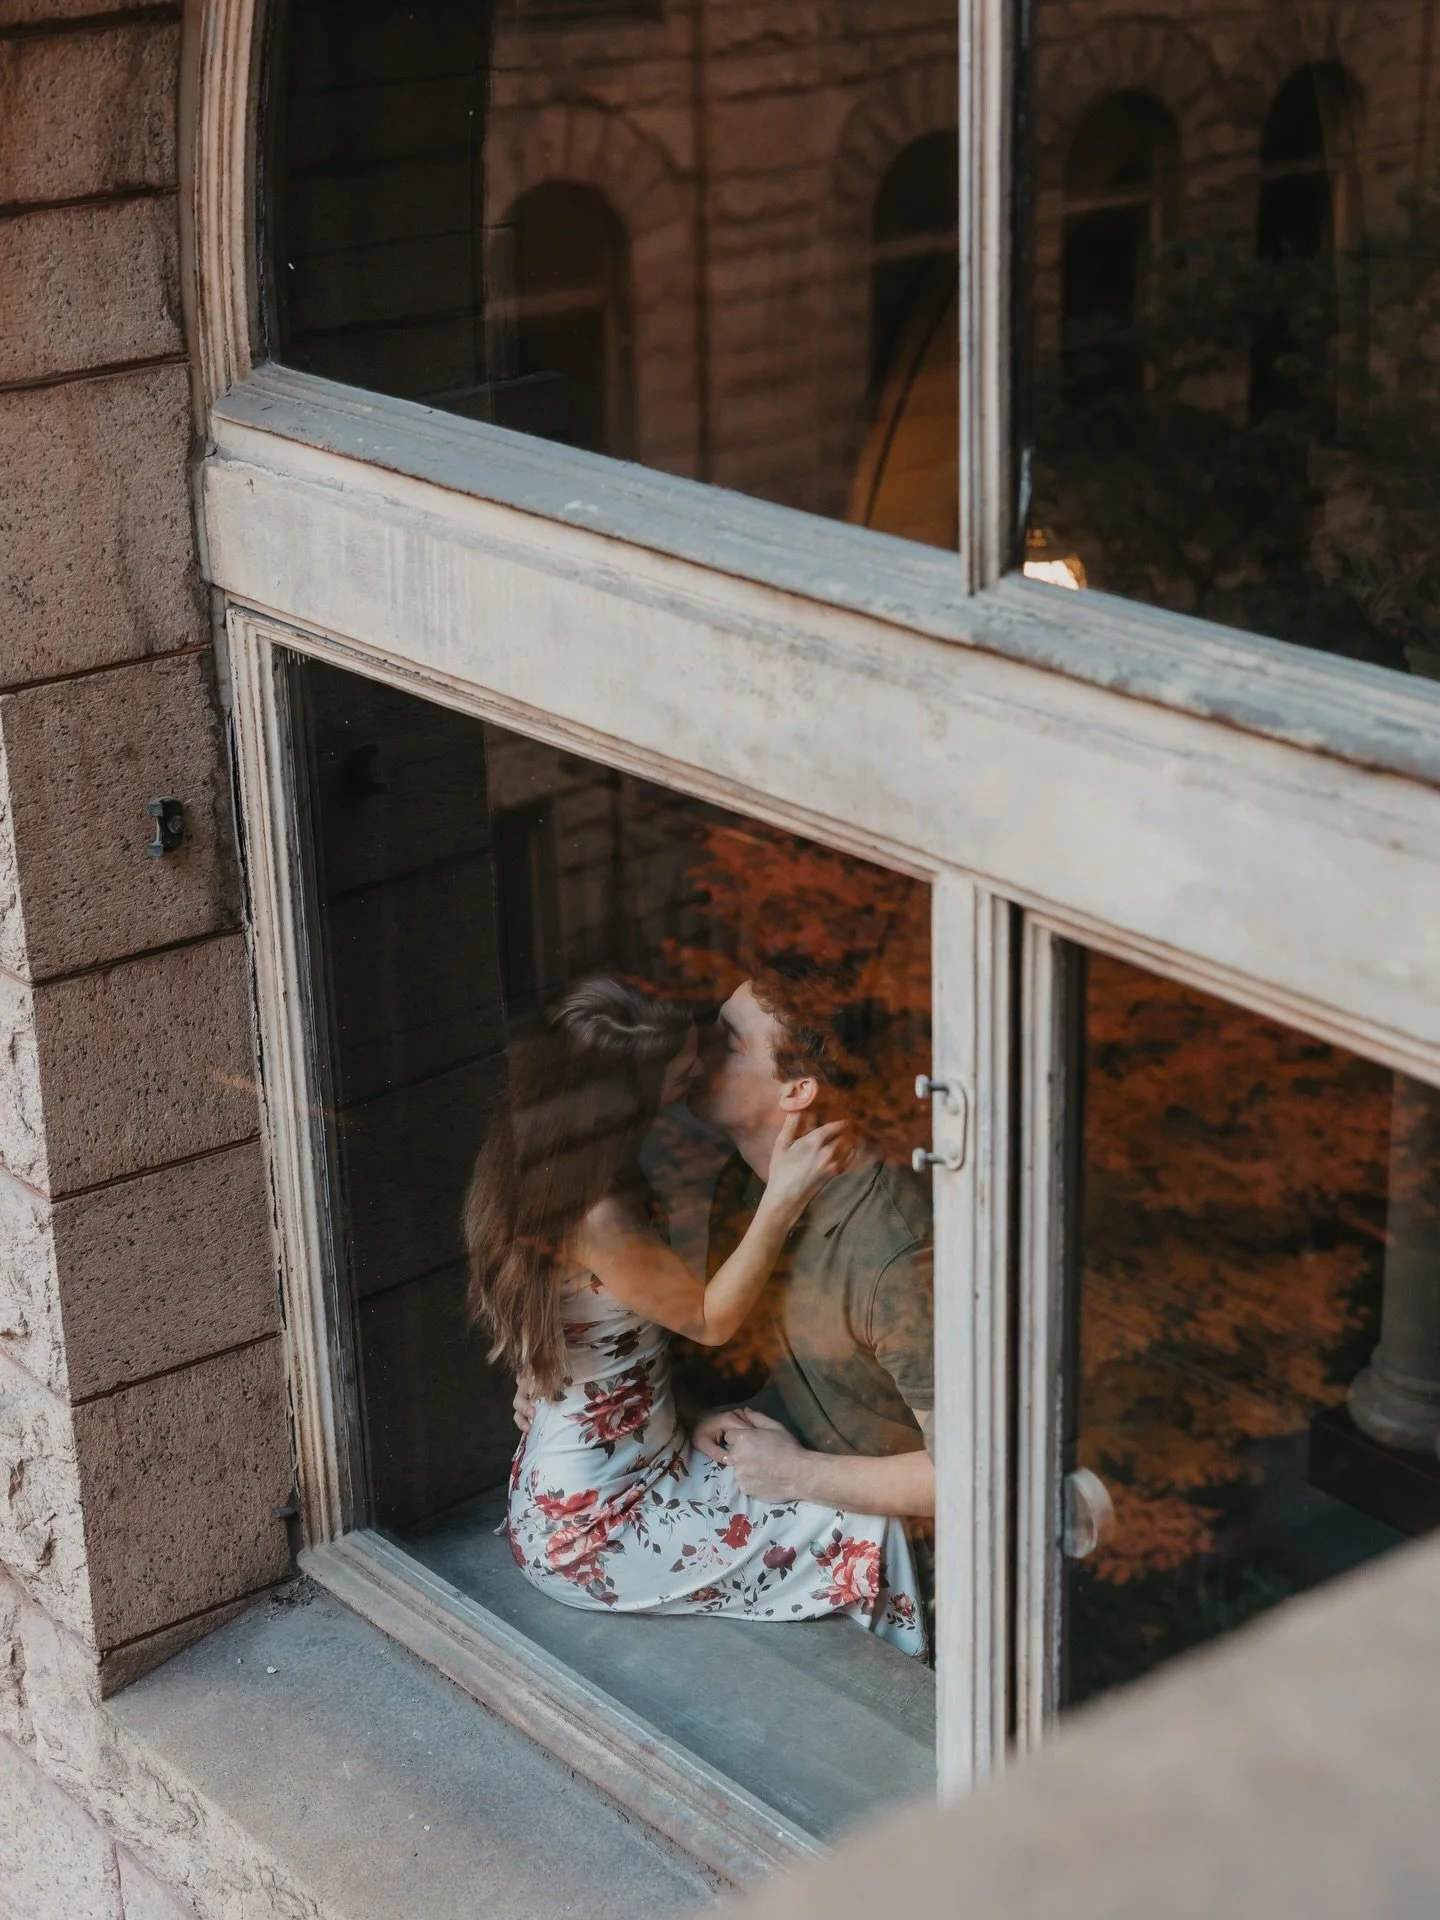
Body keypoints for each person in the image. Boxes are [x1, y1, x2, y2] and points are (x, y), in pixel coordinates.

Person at [467, 977, 927, 1655]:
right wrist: (782, 1200)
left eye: (722, 1040)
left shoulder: (557, 1166)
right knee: (868, 1530)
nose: (701, 1061)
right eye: (686, 1061)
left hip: (617, 1469)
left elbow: (622, 1334)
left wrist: (671, 1410)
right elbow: (708, 1323)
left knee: (840, 1519)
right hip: (602, 1517)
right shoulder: (606, 1210)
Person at [685, 969, 936, 1529]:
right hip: (823, 1512)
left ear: (797, 1092)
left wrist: (798, 1474)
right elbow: (723, 1373)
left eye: (725, 1042)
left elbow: (977, 1473)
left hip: (915, 1553)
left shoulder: (897, 1256)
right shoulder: (747, 1183)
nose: (692, 1048)